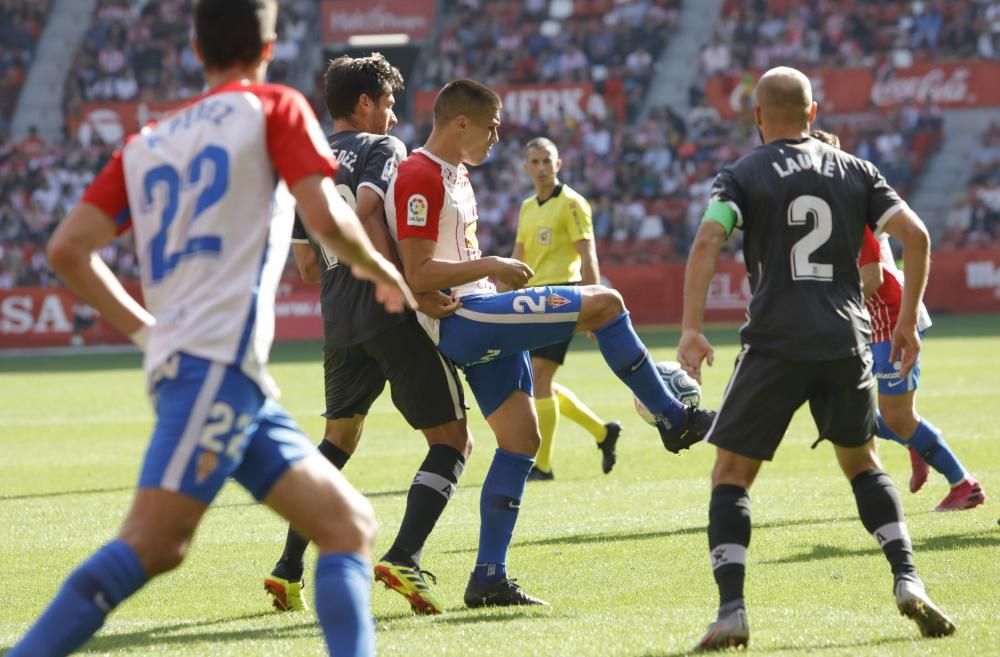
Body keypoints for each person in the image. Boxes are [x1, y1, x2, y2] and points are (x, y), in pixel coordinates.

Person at [8, 2, 416, 655]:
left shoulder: (147, 142)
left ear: (196, 49)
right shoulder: (275, 108)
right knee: (154, 543)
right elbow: (328, 219)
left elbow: (66, 249)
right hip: (212, 371)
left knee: (347, 525)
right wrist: (379, 270)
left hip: (229, 378)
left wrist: (147, 332)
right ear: (270, 45)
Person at [388, 79, 717, 608]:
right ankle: (674, 418)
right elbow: (419, 269)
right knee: (607, 302)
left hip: (476, 314)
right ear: (460, 123)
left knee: (521, 440)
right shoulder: (421, 174)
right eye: (492, 127)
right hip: (466, 319)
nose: (498, 138)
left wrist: (484, 271)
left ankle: (488, 578)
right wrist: (492, 265)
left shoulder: (456, 175)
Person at [678, 67, 956, 651]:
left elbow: (708, 239)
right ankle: (909, 579)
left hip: (775, 341)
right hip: (844, 339)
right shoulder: (857, 170)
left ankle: (731, 611)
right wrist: (906, 323)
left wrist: (691, 328)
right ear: (812, 113)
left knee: (731, 475)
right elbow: (919, 235)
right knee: (863, 464)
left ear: (758, 117)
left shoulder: (743, 174)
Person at [264, 53, 472, 617]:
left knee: (337, 441)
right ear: (364, 103)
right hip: (385, 310)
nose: (393, 115)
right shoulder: (383, 150)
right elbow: (370, 213)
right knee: (453, 440)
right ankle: (404, 556)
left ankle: (286, 569)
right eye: (387, 102)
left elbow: (307, 269)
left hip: (339, 321)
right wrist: (407, 286)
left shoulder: (304, 162)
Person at [813, 129, 986, 513]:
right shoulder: (829, 205)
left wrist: (831, 308)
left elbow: (872, 277)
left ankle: (964, 484)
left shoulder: (849, 205)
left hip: (890, 320)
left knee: (890, 416)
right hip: (867, 323)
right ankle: (917, 441)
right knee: (844, 411)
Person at [511, 137, 621, 481]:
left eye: (548, 161)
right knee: (537, 383)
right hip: (533, 299)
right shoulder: (527, 206)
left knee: (540, 378)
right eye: (535, 162)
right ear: (526, 168)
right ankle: (603, 432)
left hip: (563, 296)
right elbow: (519, 256)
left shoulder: (573, 203)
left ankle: (542, 467)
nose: (542, 167)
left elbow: (588, 255)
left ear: (558, 164)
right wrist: (500, 295)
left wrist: (594, 306)